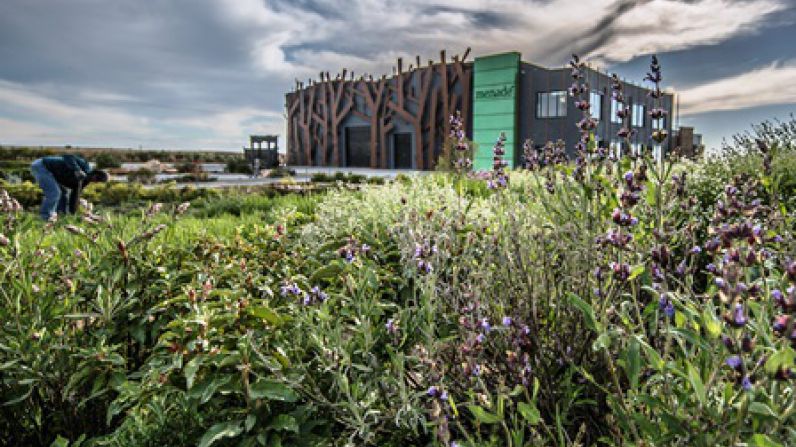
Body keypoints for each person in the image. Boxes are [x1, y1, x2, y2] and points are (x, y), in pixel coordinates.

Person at [30, 154, 109, 220]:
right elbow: (68, 157)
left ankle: (62, 215)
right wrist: (77, 169)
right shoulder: (85, 166)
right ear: (95, 174)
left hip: (53, 174)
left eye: (98, 182)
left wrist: (72, 214)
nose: (96, 182)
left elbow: (74, 196)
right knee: (55, 193)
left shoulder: (84, 181)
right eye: (97, 179)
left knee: (64, 193)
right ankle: (45, 218)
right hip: (42, 166)